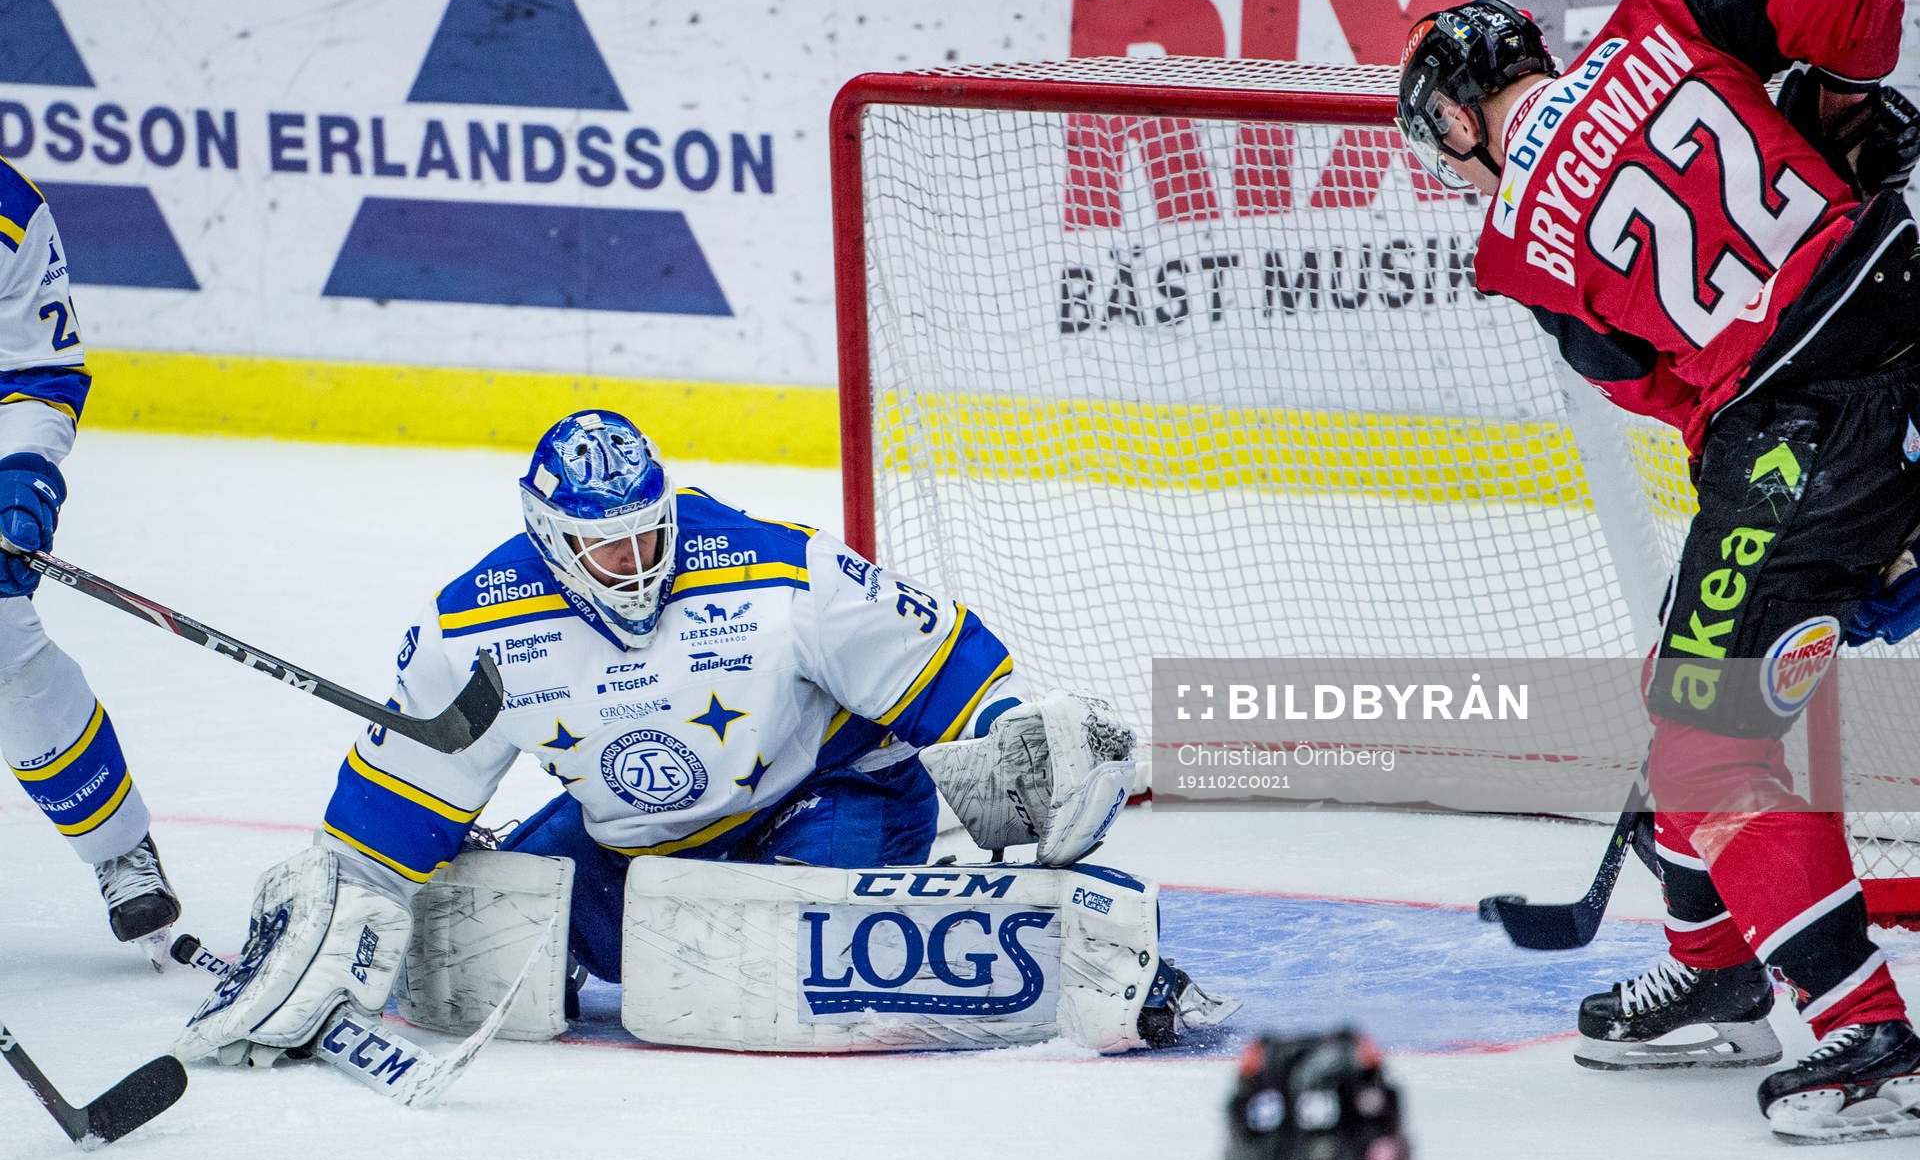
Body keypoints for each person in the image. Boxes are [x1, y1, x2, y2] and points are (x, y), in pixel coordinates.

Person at [175, 409, 1232, 1066]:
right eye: (606, 546)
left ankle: (1021, 936)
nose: (637, 561)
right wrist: (350, 892)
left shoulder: (778, 567)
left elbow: (943, 670)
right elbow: (401, 801)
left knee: (779, 965)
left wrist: (1015, 735)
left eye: (649, 531)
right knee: (474, 923)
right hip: (638, 839)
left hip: (828, 799)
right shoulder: (475, 625)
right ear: (550, 542)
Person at [1396, 0, 1920, 1142]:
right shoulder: (1663, 15)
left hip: (1800, 430)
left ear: (1456, 113)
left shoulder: (1517, 239)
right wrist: (1834, 113)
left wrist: (1805, 502)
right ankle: (1717, 970)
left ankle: (1868, 1036)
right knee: (1686, 682)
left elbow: (1668, 391)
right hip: (1898, 309)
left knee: (1703, 752)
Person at [0, 159, 179, 958]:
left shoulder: (8, 209)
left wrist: (22, 470)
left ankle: (118, 850)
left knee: (6, 645)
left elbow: (35, 368)